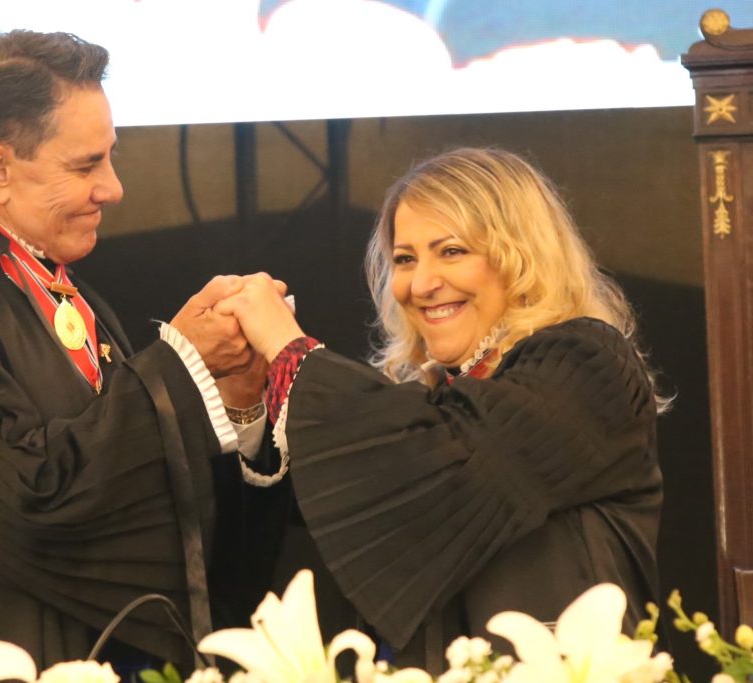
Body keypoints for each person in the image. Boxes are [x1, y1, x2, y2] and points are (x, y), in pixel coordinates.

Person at [0, 29, 276, 670]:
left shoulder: (64, 292)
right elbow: (17, 515)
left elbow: (140, 502)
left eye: (109, 158)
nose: (113, 188)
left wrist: (234, 400)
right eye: (85, 166)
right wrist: (181, 363)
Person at [216, 147, 664, 672]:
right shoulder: (424, 401)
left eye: (451, 251)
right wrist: (245, 397)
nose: (422, 284)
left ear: (522, 256)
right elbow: (316, 519)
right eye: (405, 259)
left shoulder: (587, 363)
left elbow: (452, 458)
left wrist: (290, 352)